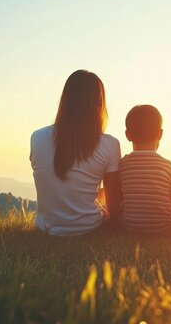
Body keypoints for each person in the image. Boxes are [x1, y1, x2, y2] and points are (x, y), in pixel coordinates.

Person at [30, 70, 121, 235]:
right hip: (90, 227)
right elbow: (114, 205)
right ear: (99, 103)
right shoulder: (110, 144)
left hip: (45, 227)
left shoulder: (37, 137)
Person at [119, 105, 171, 233]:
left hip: (130, 226)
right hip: (165, 227)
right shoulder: (167, 165)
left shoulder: (122, 164)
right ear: (160, 134)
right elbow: (170, 198)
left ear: (127, 135)